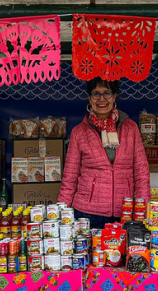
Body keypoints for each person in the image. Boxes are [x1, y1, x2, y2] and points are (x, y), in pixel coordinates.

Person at [58, 78, 150, 229]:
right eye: (96, 94)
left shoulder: (130, 128)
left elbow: (142, 172)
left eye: (107, 93)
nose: (102, 99)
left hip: (124, 211)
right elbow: (70, 177)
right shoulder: (79, 132)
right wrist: (61, 213)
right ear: (89, 98)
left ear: (114, 97)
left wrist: (144, 209)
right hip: (87, 213)